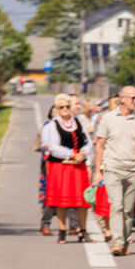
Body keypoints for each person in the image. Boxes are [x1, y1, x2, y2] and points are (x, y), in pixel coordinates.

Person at [93, 86, 135, 256]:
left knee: (128, 209)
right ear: (122, 98)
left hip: (132, 168)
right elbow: (100, 145)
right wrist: (97, 170)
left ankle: (124, 240)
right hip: (113, 167)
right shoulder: (108, 118)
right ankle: (117, 242)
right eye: (132, 98)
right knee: (116, 205)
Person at [43, 94, 93, 244]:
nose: (65, 110)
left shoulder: (78, 122)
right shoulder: (53, 125)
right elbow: (53, 147)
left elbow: (87, 141)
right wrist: (71, 154)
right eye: (61, 107)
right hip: (62, 166)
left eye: (67, 106)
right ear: (57, 109)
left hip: (78, 166)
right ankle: (62, 230)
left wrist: (83, 153)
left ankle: (83, 230)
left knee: (82, 200)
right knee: (62, 201)